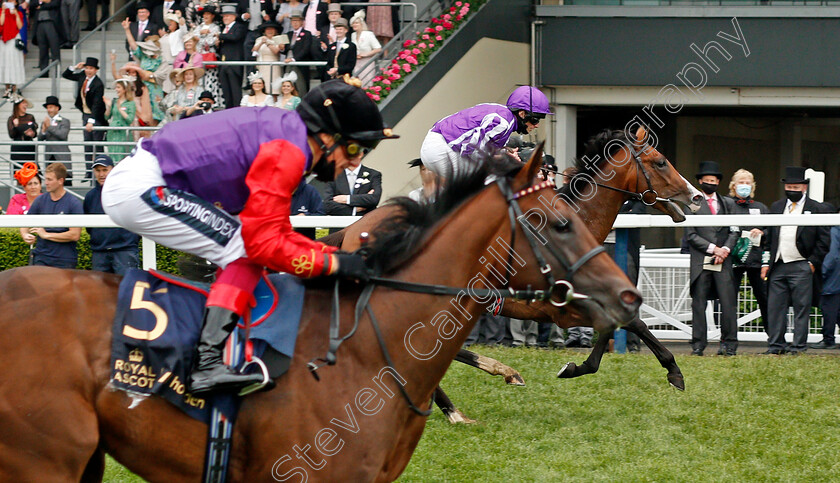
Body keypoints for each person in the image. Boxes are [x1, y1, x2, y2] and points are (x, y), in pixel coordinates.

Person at [101, 78, 398, 395]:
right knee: (244, 250)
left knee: (245, 248)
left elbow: (278, 232)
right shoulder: (288, 150)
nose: (356, 161)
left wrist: (334, 258)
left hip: (146, 180)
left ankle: (221, 347)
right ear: (326, 137)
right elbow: (264, 245)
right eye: (354, 148)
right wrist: (334, 266)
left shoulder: (288, 136)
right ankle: (206, 364)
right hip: (142, 186)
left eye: (366, 151)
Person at [761, 166, 831, 354]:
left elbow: (824, 241)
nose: (792, 190)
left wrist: (812, 263)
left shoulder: (816, 208)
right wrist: (766, 262)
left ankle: (798, 347)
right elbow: (769, 238)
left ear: (804, 188)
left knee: (801, 309)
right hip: (778, 264)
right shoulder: (776, 206)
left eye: (796, 187)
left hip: (801, 264)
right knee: (775, 308)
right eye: (789, 186)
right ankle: (776, 346)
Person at [420, 86, 551, 181]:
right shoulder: (503, 123)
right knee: (493, 179)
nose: (537, 125)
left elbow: (481, 148)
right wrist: (504, 160)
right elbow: (473, 150)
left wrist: (504, 154)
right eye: (535, 119)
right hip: (441, 149)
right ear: (522, 114)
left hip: (438, 145)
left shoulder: (502, 114)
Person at [685, 161, 739, 356]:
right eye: (707, 180)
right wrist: (713, 249)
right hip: (701, 261)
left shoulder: (729, 203)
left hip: (723, 261)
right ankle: (698, 345)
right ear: (700, 181)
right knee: (698, 304)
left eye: (713, 181)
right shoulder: (692, 204)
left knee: (728, 303)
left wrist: (724, 249)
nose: (710, 183)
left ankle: (729, 344)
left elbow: (735, 229)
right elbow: (690, 235)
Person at [726, 169, 769, 334]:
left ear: (752, 186)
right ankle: (728, 338)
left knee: (764, 298)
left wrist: (762, 231)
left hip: (756, 260)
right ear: (733, 185)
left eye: (747, 183)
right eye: (741, 182)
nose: (744, 186)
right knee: (729, 300)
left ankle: (773, 339)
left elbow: (771, 230)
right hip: (733, 259)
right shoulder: (727, 205)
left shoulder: (760, 207)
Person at [83, 155, 141, 275]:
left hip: (124, 251)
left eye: (105, 170)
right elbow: (89, 227)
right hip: (99, 253)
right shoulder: (90, 196)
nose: (101, 174)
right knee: (100, 293)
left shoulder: (126, 193)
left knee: (126, 291)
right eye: (98, 170)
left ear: (112, 170)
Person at [20, 163, 84, 268]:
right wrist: (25, 235)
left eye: (50, 180)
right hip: (41, 257)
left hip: (64, 259)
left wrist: (46, 235)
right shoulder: (40, 200)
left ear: (60, 181)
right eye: (45, 179)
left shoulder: (73, 203)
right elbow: (25, 224)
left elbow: (75, 235)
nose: (46, 183)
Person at [62, 57, 108, 183]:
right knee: (87, 144)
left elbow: (97, 104)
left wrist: (91, 120)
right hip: (85, 113)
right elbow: (66, 75)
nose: (88, 70)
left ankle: (99, 172)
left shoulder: (98, 84)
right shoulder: (82, 76)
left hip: (96, 116)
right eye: (87, 68)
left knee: (97, 146)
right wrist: (75, 67)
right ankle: (89, 171)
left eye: (91, 68)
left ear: (96, 70)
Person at [322, 149, 382, 216]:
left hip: (366, 221)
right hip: (340, 223)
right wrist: (354, 209)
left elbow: (374, 199)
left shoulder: (373, 175)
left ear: (360, 154)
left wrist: (347, 199)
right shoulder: (332, 175)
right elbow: (327, 205)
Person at [812, 224, 840, 349]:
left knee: (828, 307)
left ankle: (828, 339)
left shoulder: (832, 230)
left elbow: (832, 254)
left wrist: (822, 272)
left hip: (833, 276)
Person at [192, 5, 224, 108]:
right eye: (204, 14)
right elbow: (193, 37)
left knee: (211, 81)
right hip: (199, 58)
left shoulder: (215, 27)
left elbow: (211, 41)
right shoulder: (199, 27)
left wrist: (200, 37)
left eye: (208, 14)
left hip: (210, 57)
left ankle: (212, 103)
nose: (205, 16)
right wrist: (202, 34)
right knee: (199, 80)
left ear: (212, 16)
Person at [217, 5, 246, 109]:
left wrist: (219, 36)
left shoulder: (239, 27)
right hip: (224, 63)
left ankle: (237, 112)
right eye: (224, 16)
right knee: (226, 92)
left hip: (234, 64)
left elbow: (235, 37)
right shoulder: (224, 29)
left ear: (234, 17)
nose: (225, 18)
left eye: (227, 16)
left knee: (235, 91)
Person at [37, 95, 72, 181]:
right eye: (48, 108)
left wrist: (49, 127)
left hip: (61, 156)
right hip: (49, 156)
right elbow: (40, 138)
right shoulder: (45, 122)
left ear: (57, 108)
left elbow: (62, 135)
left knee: (64, 180)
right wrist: (43, 131)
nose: (49, 110)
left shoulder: (64, 121)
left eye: (51, 107)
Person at [104, 77, 136, 161]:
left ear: (125, 89)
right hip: (113, 133)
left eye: (118, 87)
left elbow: (130, 119)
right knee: (112, 156)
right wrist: (109, 106)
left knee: (123, 157)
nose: (116, 89)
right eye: (116, 87)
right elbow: (106, 117)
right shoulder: (114, 101)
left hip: (124, 134)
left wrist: (120, 110)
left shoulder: (131, 103)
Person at [282, 9, 315, 93]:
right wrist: (281, 48)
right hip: (288, 63)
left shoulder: (307, 34)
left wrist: (294, 59)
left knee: (301, 87)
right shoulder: (288, 34)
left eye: (297, 20)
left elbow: (306, 49)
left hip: (300, 63)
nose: (295, 23)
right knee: (287, 84)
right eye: (293, 20)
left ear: (302, 22)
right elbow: (285, 50)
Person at [30, 0, 65, 73]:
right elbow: (32, 4)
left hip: (51, 22)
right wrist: (43, 2)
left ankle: (56, 71)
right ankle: (43, 71)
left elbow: (55, 3)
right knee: (42, 49)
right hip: (39, 23)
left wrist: (41, 6)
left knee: (54, 47)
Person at [0, 1, 25, 98]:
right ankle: (7, 88)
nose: (11, 2)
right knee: (5, 63)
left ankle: (14, 88)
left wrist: (15, 14)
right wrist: (3, 11)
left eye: (13, 1)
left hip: (14, 38)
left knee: (14, 63)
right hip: (3, 40)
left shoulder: (18, 12)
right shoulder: (1, 11)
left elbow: (20, 26)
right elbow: (1, 23)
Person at [251, 20, 283, 93]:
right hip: (262, 66)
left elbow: (276, 51)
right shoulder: (259, 39)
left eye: (272, 29)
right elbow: (254, 50)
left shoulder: (278, 39)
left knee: (274, 89)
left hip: (273, 65)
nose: (269, 31)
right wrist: (261, 42)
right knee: (263, 88)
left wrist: (268, 43)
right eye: (268, 29)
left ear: (275, 31)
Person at [6, 95, 38, 167]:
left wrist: (32, 133)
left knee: (31, 169)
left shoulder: (30, 117)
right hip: (17, 148)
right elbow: (11, 134)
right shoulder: (11, 119)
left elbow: (35, 133)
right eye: (23, 103)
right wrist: (15, 126)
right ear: (18, 105)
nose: (25, 105)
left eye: (26, 103)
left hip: (29, 147)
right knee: (17, 169)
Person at [349, 10, 380, 83]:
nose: (354, 25)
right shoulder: (353, 35)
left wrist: (365, 54)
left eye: (356, 23)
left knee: (367, 81)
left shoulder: (368, 34)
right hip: (356, 62)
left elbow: (378, 48)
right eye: (353, 23)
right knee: (356, 82)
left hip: (367, 61)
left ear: (361, 24)